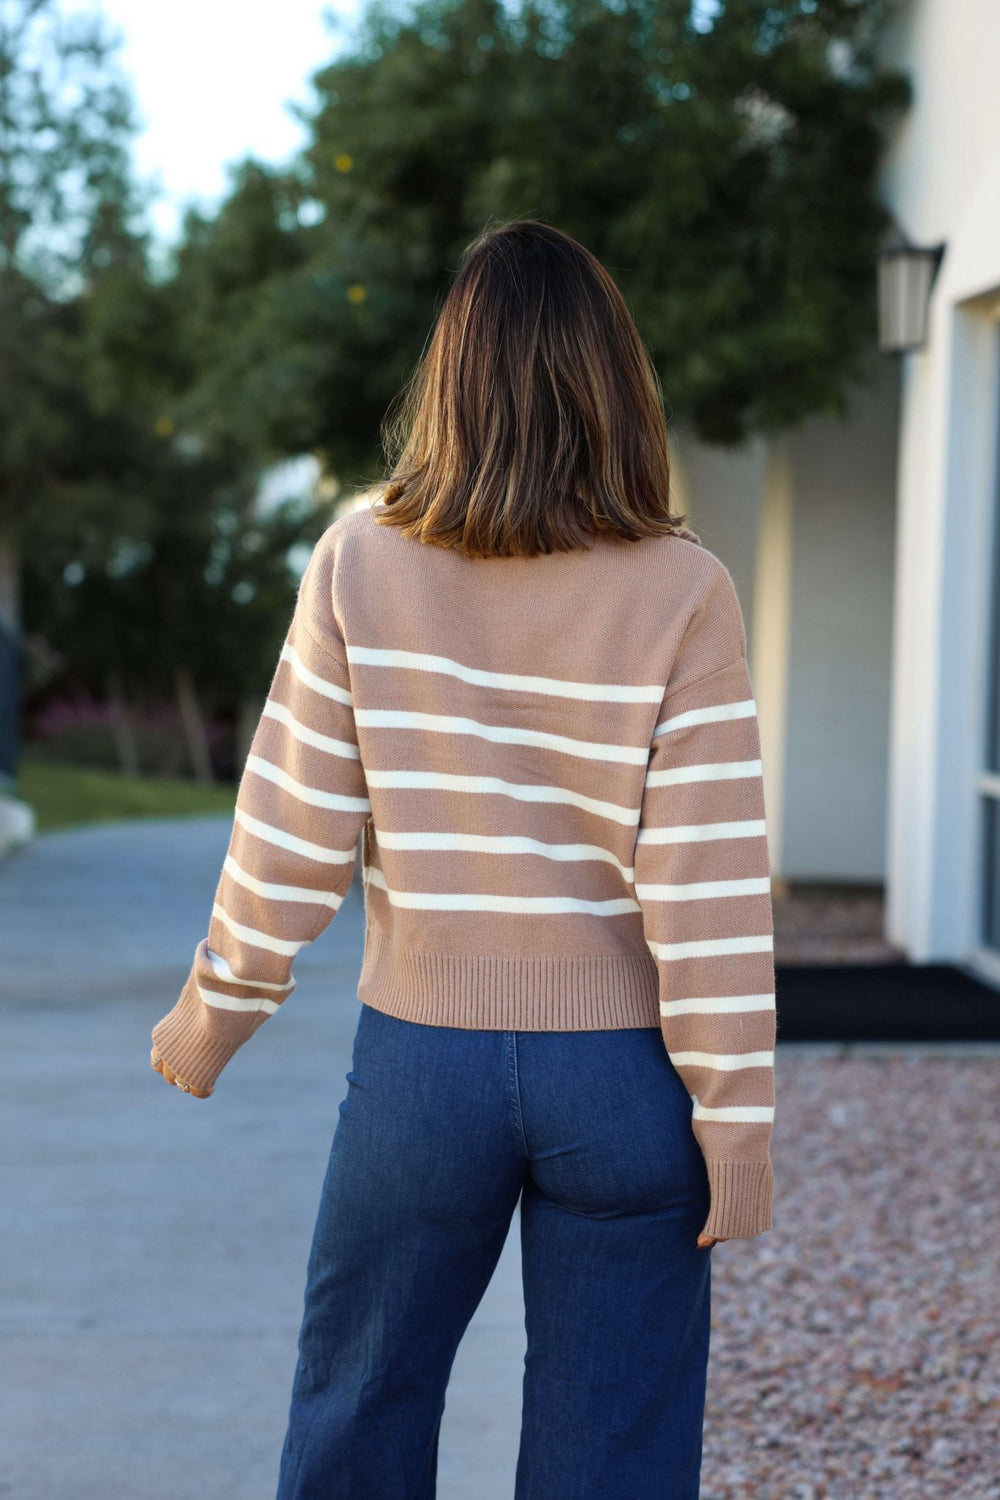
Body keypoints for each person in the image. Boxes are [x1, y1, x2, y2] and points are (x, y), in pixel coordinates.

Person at [150, 217, 777, 1500]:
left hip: (418, 1075)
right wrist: (736, 1121)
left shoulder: (360, 560)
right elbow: (705, 882)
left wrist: (218, 1006)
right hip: (626, 1087)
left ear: (450, 378)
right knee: (615, 1448)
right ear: (615, 385)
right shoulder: (683, 587)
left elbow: (292, 822)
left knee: (358, 1414)